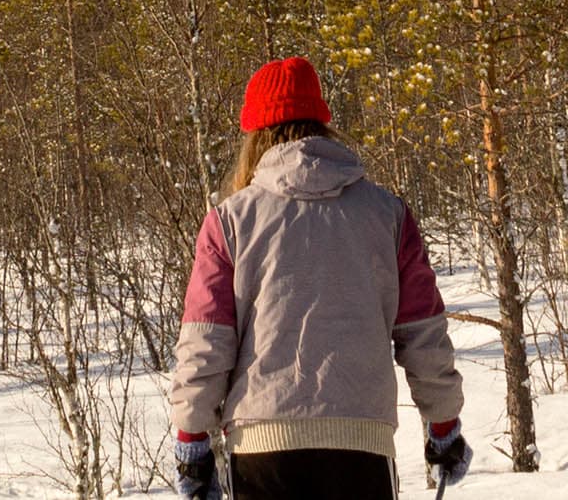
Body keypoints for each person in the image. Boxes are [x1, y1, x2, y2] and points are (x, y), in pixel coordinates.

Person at [168, 56, 471, 498]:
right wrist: (442, 421)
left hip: (261, 448)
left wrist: (193, 437)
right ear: (321, 125)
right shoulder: (387, 215)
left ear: (255, 135)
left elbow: (206, 341)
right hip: (361, 446)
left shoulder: (230, 222)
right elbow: (423, 335)